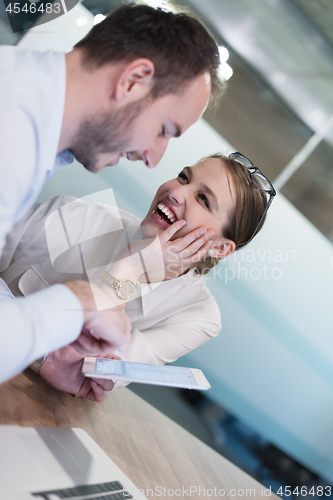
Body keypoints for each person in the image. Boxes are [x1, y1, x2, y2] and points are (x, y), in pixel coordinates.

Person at [0, 3, 223, 382]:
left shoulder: (27, 117)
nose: (155, 160)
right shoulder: (12, 134)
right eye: (164, 130)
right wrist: (82, 301)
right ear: (133, 80)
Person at [0, 153, 275, 401]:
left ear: (219, 247)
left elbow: (87, 366)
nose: (177, 192)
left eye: (203, 200)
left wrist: (133, 267)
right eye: (183, 177)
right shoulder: (78, 216)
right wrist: (131, 266)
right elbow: (63, 358)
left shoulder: (198, 316)